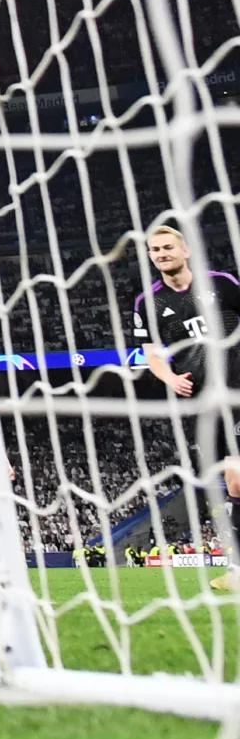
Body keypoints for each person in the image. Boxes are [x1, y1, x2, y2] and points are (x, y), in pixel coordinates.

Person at [135, 223, 240, 589]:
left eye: (168, 247)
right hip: (205, 404)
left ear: (186, 250)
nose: (161, 254)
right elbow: (152, 354)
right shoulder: (148, 303)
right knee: (234, 481)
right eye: (155, 250)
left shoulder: (222, 284)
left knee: (237, 476)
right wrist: (169, 377)